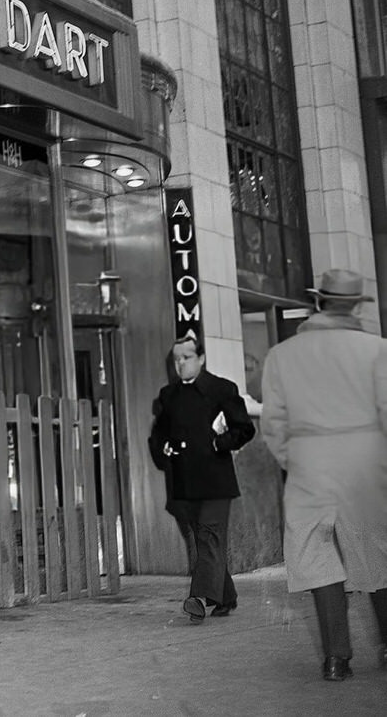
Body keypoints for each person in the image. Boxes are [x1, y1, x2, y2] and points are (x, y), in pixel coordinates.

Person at [260, 268, 387, 682]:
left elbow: (274, 425)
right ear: (353, 306)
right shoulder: (378, 350)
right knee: (377, 556)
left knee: (319, 561)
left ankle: (336, 659)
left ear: (317, 303)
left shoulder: (284, 355)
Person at [148, 336, 255, 625]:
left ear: (201, 358)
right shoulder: (168, 395)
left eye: (186, 357)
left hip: (215, 480)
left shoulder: (222, 389)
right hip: (184, 482)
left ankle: (198, 598)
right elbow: (158, 434)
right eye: (176, 359)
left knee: (208, 537)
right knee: (206, 541)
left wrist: (219, 444)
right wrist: (164, 448)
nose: (180, 363)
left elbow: (245, 429)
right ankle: (226, 596)